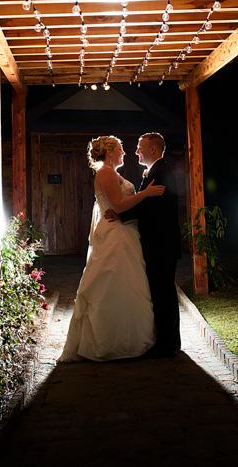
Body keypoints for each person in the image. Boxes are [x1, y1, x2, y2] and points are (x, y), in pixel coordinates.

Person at [59, 135, 165, 362]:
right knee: (115, 283)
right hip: (115, 236)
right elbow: (117, 205)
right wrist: (145, 194)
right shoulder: (106, 173)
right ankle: (114, 343)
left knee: (127, 284)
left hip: (123, 232)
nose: (124, 153)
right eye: (120, 149)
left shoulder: (112, 173)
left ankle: (127, 340)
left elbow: (118, 205)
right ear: (109, 153)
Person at [111, 133, 182, 358]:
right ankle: (168, 341)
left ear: (153, 149)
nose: (136, 151)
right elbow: (146, 202)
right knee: (162, 291)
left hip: (162, 244)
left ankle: (166, 345)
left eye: (140, 147)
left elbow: (149, 207)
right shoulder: (155, 171)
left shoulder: (161, 172)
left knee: (163, 292)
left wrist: (119, 214)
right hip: (159, 243)